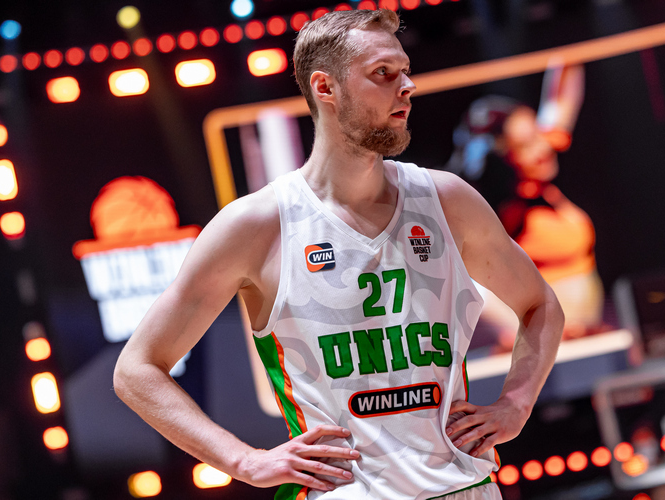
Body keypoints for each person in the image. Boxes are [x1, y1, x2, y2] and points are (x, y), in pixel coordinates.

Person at [113, 9, 564, 500]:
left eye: (405, 70)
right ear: (325, 88)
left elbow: (541, 304)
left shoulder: (447, 201)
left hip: (464, 488)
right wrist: (243, 461)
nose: (407, 86)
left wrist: (516, 405)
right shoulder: (257, 225)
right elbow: (137, 370)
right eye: (383, 73)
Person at [447, 65, 603, 349]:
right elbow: (472, 286)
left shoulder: (538, 173)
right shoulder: (504, 213)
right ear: (504, 159)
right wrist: (520, 331)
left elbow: (565, 84)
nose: (543, 148)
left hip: (586, 332)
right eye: (525, 145)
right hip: (545, 344)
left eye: (538, 134)